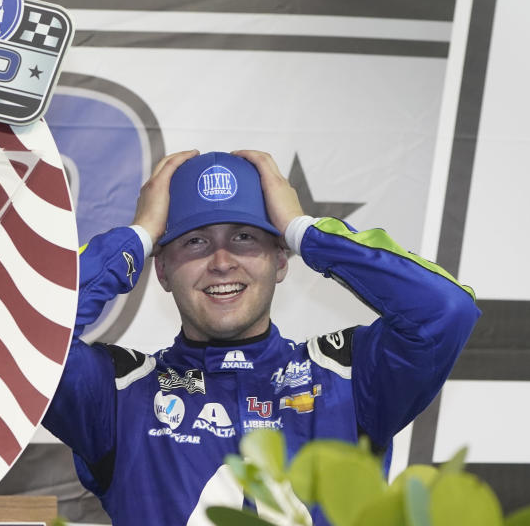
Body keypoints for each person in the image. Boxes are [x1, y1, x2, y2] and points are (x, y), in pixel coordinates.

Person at [42, 149, 480, 526]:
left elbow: (445, 310)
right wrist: (135, 237)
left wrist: (305, 231)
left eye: (244, 237)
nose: (221, 261)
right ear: (161, 269)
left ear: (281, 260)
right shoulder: (116, 393)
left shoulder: (348, 375)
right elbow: (28, 334)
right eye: (194, 242)